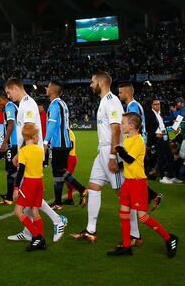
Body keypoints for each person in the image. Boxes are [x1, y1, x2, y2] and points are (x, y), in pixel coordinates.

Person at [71, 71, 143, 244]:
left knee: (123, 194)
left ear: (101, 83)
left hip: (111, 152)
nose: (90, 84)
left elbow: (117, 129)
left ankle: (135, 235)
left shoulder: (111, 101)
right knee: (93, 187)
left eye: (92, 81)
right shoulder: (105, 101)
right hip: (102, 151)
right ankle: (90, 230)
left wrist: (112, 156)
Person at [4, 79, 67, 243]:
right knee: (31, 197)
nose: (8, 96)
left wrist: (21, 153)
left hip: (31, 155)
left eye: (9, 92)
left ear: (16, 88)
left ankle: (56, 220)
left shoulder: (28, 104)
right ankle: (29, 231)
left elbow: (30, 129)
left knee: (29, 194)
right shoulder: (24, 104)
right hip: (30, 153)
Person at [107, 112, 178, 257]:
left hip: (138, 183)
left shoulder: (138, 140)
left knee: (142, 217)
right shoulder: (128, 139)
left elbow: (130, 159)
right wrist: (118, 164)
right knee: (123, 214)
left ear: (132, 126)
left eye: (124, 123)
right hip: (128, 182)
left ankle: (169, 238)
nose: (121, 125)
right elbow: (127, 162)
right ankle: (126, 247)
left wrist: (118, 149)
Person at [13, 123, 47, 251]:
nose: (38, 137)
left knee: (18, 211)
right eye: (37, 135)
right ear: (33, 137)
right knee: (35, 210)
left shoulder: (23, 151)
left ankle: (37, 236)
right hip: (39, 182)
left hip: (29, 183)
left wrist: (16, 188)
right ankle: (41, 240)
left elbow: (21, 170)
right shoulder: (40, 150)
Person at [44, 81, 72, 209]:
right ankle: (58, 202)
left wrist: (45, 142)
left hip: (58, 144)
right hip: (65, 143)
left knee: (59, 173)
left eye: (48, 87)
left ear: (53, 90)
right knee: (60, 173)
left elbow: (52, 124)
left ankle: (82, 190)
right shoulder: (63, 103)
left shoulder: (55, 105)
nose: (46, 88)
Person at [0, 92, 18, 206]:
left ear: (1, 98)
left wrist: (5, 142)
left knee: (11, 170)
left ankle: (9, 197)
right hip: (14, 143)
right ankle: (12, 193)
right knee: (13, 170)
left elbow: (11, 124)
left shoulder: (9, 106)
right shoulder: (11, 107)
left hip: (13, 144)